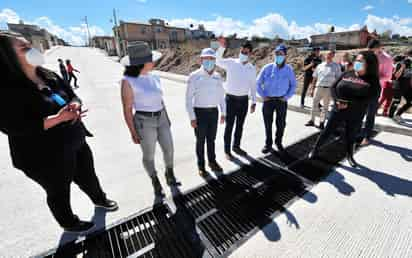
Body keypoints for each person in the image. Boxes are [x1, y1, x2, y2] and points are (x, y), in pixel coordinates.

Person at [0, 32, 118, 232]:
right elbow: (13, 126)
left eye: (30, 45)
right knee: (58, 191)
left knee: (88, 176)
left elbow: (73, 96)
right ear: (6, 57)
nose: (33, 50)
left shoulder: (49, 75)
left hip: (75, 141)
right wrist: (58, 118)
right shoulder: (7, 89)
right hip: (42, 157)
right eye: (24, 48)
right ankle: (68, 222)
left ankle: (100, 199)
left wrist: (75, 106)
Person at [120, 42, 178, 198]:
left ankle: (169, 173)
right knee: (149, 155)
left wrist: (167, 118)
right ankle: (155, 180)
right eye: (150, 59)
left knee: (169, 149)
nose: (154, 62)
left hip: (162, 118)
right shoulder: (128, 81)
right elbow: (127, 109)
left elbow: (161, 100)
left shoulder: (155, 77)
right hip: (144, 122)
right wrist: (132, 131)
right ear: (141, 63)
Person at [308, 51, 380, 167]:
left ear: (369, 64)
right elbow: (333, 87)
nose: (357, 62)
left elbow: (370, 98)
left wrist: (349, 104)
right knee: (327, 131)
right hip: (338, 110)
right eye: (356, 60)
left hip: (355, 114)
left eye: (360, 61)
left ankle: (350, 156)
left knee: (350, 136)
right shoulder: (347, 73)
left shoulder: (373, 80)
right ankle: (315, 149)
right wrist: (337, 101)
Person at [186, 48, 226, 177]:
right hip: (200, 113)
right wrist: (192, 117)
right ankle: (201, 166)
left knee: (211, 139)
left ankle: (212, 161)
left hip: (213, 112)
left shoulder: (217, 76)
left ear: (215, 61)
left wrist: (223, 113)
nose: (209, 61)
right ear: (201, 60)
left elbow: (221, 96)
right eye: (206, 59)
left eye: (212, 59)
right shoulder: (194, 76)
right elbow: (188, 99)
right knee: (200, 141)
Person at [216, 37, 257, 159]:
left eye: (246, 52)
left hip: (244, 101)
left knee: (240, 126)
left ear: (250, 53)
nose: (243, 54)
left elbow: (253, 86)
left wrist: (254, 101)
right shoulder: (231, 63)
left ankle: (236, 147)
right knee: (229, 126)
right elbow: (217, 60)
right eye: (242, 51)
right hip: (230, 100)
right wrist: (221, 47)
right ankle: (227, 150)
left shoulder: (251, 68)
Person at [256, 44, 297, 154]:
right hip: (268, 101)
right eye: (277, 54)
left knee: (281, 123)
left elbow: (293, 85)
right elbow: (258, 83)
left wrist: (287, 97)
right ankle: (268, 144)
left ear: (285, 56)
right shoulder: (267, 68)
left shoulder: (289, 69)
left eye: (281, 54)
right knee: (268, 124)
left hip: (281, 101)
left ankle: (278, 142)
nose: (279, 56)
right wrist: (263, 96)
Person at [360, 39, 392, 146]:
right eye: (369, 50)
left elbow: (388, 76)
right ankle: (356, 132)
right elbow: (357, 68)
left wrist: (373, 78)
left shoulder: (387, 58)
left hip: (374, 88)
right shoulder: (364, 55)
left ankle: (367, 136)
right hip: (361, 86)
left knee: (370, 114)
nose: (370, 53)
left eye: (372, 51)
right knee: (358, 110)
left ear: (379, 48)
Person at [305, 50, 342, 129]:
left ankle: (322, 122)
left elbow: (338, 79)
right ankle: (312, 120)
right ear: (325, 55)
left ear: (333, 56)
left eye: (330, 55)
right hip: (318, 88)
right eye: (327, 54)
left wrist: (335, 90)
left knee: (325, 107)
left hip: (328, 89)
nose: (328, 56)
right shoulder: (320, 66)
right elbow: (315, 77)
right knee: (314, 104)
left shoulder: (336, 66)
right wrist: (312, 88)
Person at [389, 50, 412, 122]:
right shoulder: (401, 63)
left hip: (407, 85)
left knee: (410, 102)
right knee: (396, 101)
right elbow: (396, 75)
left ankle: (398, 115)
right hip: (399, 84)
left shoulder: (411, 64)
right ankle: (391, 116)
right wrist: (402, 67)